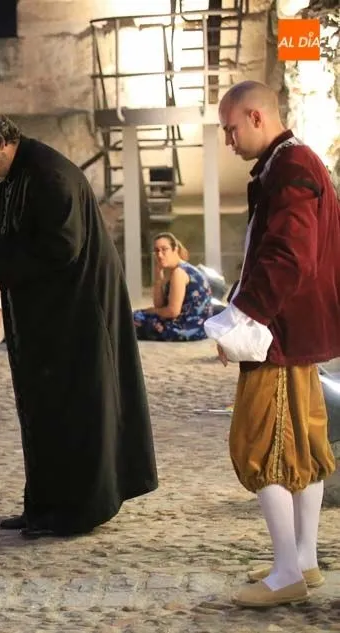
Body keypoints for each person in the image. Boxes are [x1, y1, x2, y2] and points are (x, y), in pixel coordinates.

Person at [0, 105, 158, 539]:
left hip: (76, 318)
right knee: (41, 410)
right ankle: (43, 505)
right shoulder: (10, 177)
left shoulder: (49, 174)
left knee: (73, 411)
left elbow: (64, 246)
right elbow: (19, 238)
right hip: (45, 319)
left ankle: (77, 509)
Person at [208, 80, 340, 608]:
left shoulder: (290, 168)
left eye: (231, 128)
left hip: (279, 333)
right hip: (294, 329)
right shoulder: (292, 164)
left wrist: (243, 316)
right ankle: (303, 560)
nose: (228, 139)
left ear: (257, 117)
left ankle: (288, 569)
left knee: (260, 443)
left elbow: (288, 254)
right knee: (305, 445)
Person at [133, 233, 212, 342]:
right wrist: (158, 279)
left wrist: (152, 311)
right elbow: (160, 305)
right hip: (192, 325)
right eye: (156, 251)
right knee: (135, 315)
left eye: (164, 249)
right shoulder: (175, 270)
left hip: (189, 327)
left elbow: (172, 311)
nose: (160, 255)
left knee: (133, 319)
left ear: (175, 249)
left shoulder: (179, 272)